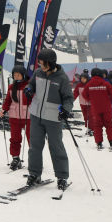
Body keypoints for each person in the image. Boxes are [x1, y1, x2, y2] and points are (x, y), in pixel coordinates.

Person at [25, 48, 74, 191]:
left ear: (51, 63)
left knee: (56, 146)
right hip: (36, 115)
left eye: (44, 63)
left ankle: (62, 176)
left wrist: (66, 110)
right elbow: (31, 84)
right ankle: (34, 174)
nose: (41, 66)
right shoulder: (38, 73)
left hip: (53, 118)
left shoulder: (62, 78)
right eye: (40, 63)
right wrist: (29, 89)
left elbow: (68, 98)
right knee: (34, 146)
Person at [0, 64, 31, 170]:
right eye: (14, 75)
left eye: (18, 75)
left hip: (28, 117)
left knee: (32, 139)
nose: (16, 77)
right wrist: (4, 109)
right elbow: (8, 101)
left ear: (24, 75)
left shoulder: (30, 86)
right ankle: (15, 158)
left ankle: (34, 159)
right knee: (15, 139)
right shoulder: (11, 87)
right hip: (14, 116)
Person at [81, 68, 112, 151]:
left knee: (97, 126)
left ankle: (99, 143)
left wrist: (90, 99)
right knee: (109, 125)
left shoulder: (89, 84)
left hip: (95, 108)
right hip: (106, 107)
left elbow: (84, 94)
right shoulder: (106, 83)